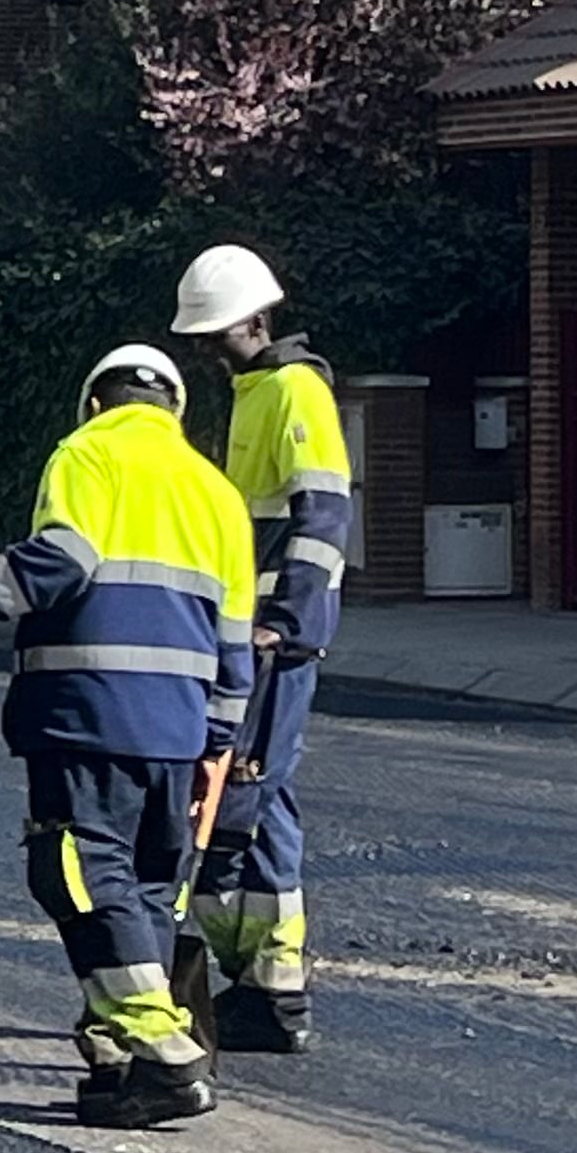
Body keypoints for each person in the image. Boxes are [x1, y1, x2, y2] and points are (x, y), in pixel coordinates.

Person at [0, 343, 255, 1129]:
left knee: (81, 874)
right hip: (177, 729)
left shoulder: (86, 453)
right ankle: (124, 1062)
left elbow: (59, 563)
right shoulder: (216, 490)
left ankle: (163, 1050)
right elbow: (235, 640)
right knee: (149, 887)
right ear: (174, 411)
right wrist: (214, 744)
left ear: (94, 403)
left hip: (87, 711)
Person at [172, 243, 351, 1054]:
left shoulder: (292, 390)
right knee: (259, 794)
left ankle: (269, 983)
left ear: (255, 319)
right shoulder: (257, 391)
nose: (210, 352)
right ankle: (265, 986)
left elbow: (321, 518)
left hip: (276, 635)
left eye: (219, 335)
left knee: (246, 791)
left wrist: (288, 620)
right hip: (257, 629)